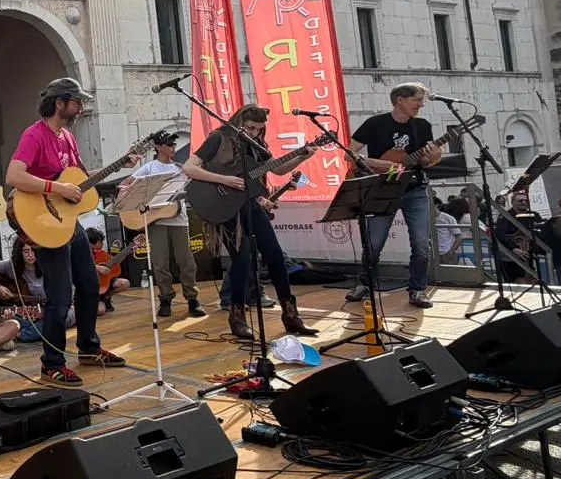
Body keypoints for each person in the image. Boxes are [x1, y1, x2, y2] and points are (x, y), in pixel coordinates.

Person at [3, 77, 132, 384]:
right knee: (60, 298)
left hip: (67, 223)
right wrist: (57, 186)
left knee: (89, 285)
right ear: (59, 103)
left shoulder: (68, 139)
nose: (81, 107)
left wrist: (122, 169)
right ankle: (52, 363)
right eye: (76, 102)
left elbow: (81, 183)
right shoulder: (35, 135)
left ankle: (88, 347)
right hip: (44, 226)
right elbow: (14, 175)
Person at [182, 104, 317, 341]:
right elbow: (189, 167)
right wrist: (226, 179)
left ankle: (290, 315)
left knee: (275, 256)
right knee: (242, 260)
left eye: (258, 129)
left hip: (251, 203)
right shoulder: (219, 137)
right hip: (226, 207)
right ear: (239, 121)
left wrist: (300, 156)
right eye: (250, 128)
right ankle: (237, 317)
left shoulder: (257, 146)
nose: (254, 133)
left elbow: (278, 169)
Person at [347, 83, 442, 309]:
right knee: (373, 243)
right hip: (383, 189)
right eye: (417, 99)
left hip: (415, 189)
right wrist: (378, 163)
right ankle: (364, 283)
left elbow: (425, 161)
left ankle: (417, 290)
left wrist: (435, 158)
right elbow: (349, 153)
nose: (421, 104)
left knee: (421, 243)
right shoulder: (375, 123)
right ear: (400, 99)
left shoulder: (422, 126)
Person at [120, 133, 205, 318]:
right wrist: (139, 198)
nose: (173, 147)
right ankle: (165, 298)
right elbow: (125, 184)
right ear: (158, 147)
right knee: (160, 263)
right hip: (155, 219)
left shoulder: (180, 168)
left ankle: (192, 299)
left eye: (174, 144)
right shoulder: (149, 168)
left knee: (186, 262)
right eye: (168, 144)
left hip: (179, 219)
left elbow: (189, 190)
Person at [0, 237, 56, 342]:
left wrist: (46, 312)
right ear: (20, 253)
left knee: (56, 320)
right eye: (25, 251)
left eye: (33, 250)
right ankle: (29, 330)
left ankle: (18, 334)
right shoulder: (11, 266)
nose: (30, 254)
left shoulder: (48, 267)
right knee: (14, 319)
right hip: (30, 315)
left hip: (53, 311)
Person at [86, 227, 130, 314]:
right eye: (100, 242)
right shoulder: (80, 253)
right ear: (91, 244)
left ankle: (106, 297)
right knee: (100, 311)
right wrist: (98, 268)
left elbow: (115, 267)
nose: (102, 244)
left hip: (104, 284)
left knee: (125, 283)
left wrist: (129, 251)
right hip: (90, 287)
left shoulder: (101, 253)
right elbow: (80, 265)